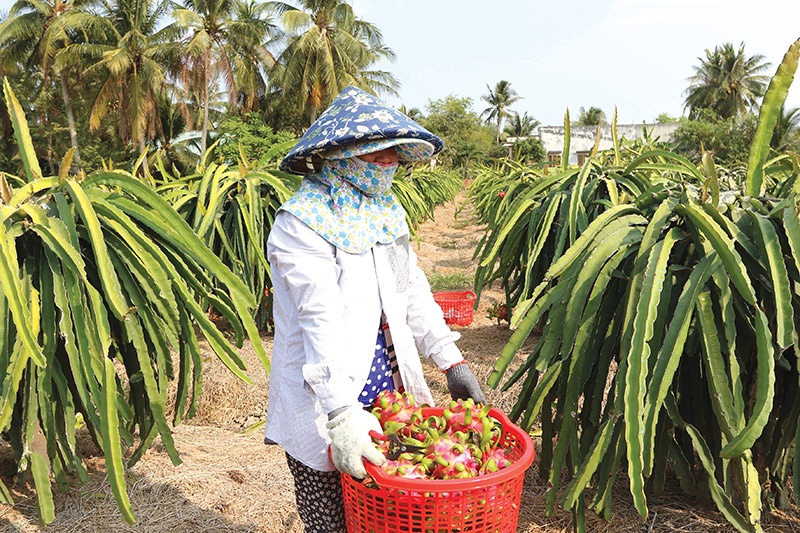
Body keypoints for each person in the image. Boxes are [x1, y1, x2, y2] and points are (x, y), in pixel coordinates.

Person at [264, 85, 486, 533]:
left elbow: (411, 289)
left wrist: (450, 359)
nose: (389, 163)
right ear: (341, 154)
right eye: (377, 153)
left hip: (387, 390)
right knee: (332, 519)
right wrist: (341, 413)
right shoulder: (301, 224)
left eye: (395, 154)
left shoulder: (384, 212)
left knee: (392, 513)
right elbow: (318, 319)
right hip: (326, 398)